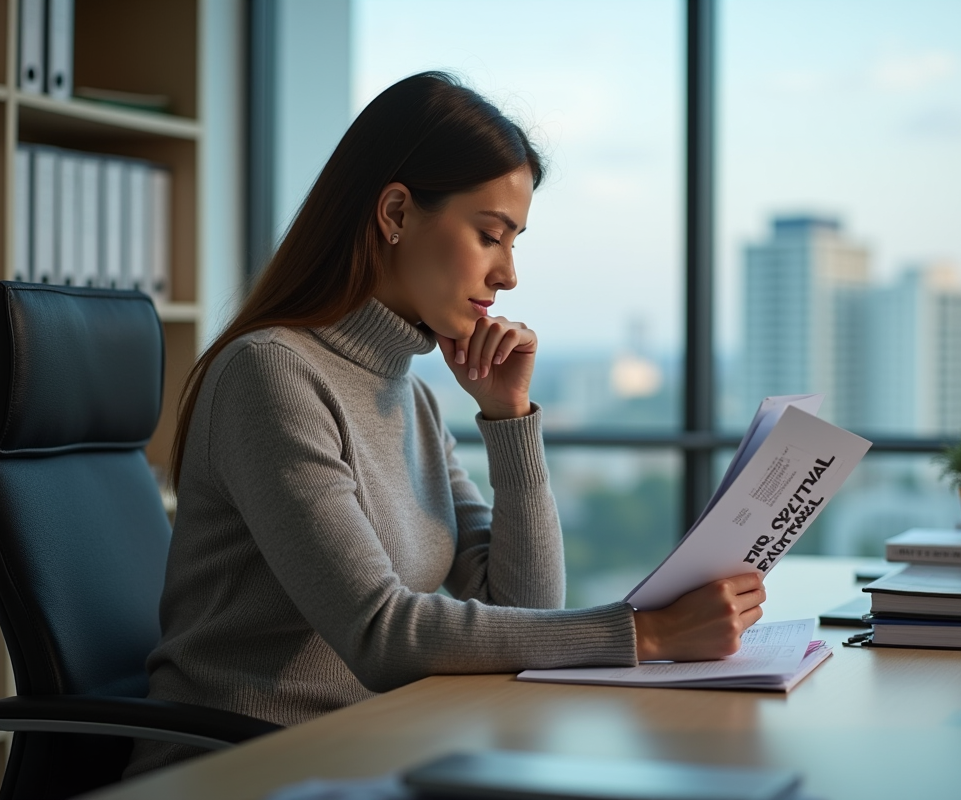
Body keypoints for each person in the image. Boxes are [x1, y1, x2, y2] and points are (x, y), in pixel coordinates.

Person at [125, 72, 765, 777]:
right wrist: (646, 633)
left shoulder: (413, 397)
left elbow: (522, 603)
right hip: (248, 767)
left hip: (376, 750)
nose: (509, 275)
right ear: (395, 212)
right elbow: (381, 634)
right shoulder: (271, 375)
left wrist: (508, 418)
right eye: (491, 235)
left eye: (515, 241)